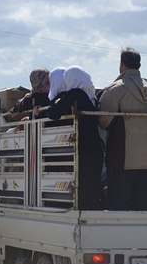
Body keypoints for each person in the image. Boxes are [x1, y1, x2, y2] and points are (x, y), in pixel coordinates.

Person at [99, 48, 147, 210]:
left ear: (122, 64)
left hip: (122, 157)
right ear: (139, 65)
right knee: (143, 202)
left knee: (119, 204)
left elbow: (104, 120)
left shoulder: (116, 89)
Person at [35, 66, 104, 210]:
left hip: (83, 150)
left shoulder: (76, 93)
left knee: (82, 190)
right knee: (93, 189)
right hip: (96, 149)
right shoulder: (92, 97)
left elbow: (53, 113)